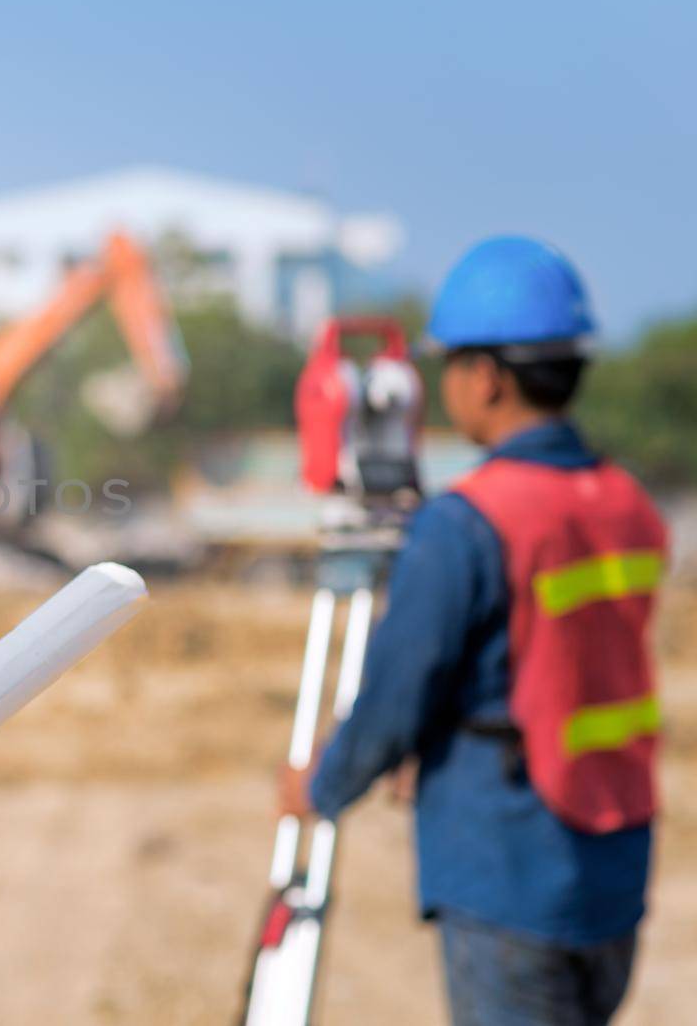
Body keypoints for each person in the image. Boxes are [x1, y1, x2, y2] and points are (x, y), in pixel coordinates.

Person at [278, 236, 666, 1026]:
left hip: (508, 869)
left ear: (485, 377)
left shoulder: (468, 524)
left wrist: (321, 788)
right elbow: (545, 659)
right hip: (615, 857)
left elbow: (395, 697)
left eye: (448, 365)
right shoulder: (626, 500)